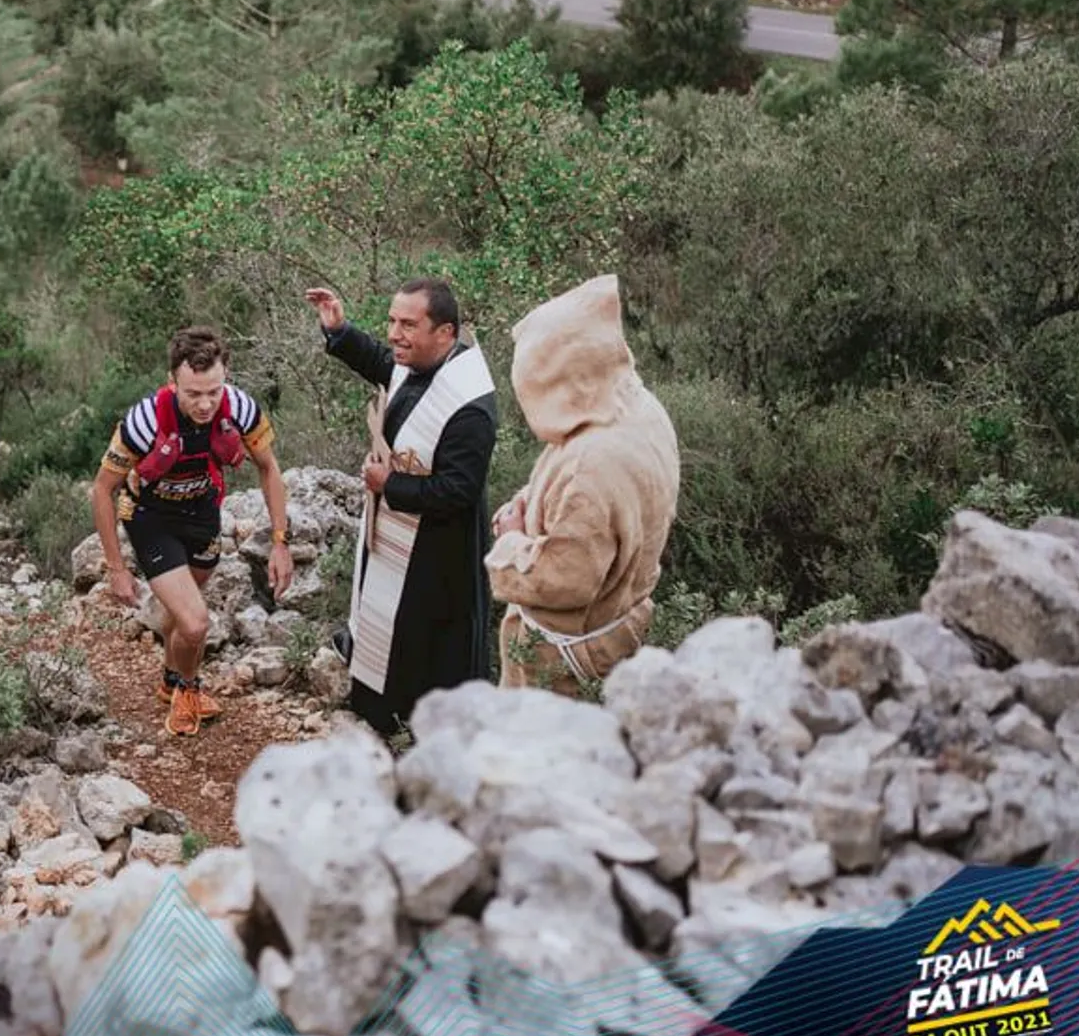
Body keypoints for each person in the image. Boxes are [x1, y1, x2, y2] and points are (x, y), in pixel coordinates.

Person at [306, 279, 499, 738]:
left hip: (441, 557)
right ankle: (378, 716)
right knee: (388, 631)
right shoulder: (420, 361)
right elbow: (383, 364)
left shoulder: (469, 406)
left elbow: (458, 491)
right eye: (392, 321)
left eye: (408, 324)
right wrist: (340, 330)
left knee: (426, 650)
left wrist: (389, 483)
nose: (395, 334)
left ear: (445, 333)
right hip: (398, 539)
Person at [91, 327, 295, 736]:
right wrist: (116, 567)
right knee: (197, 622)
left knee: (184, 615)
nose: (205, 404)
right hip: (151, 517)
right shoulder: (143, 421)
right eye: (192, 394)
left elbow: (269, 468)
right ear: (172, 382)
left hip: (202, 513)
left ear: (227, 378)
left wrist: (280, 543)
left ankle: (170, 678)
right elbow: (102, 489)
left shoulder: (241, 409)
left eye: (213, 392)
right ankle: (188, 688)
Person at [485, 274, 680, 697]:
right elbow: (578, 486)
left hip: (567, 664)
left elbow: (565, 578)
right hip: (619, 628)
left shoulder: (592, 464)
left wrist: (513, 541)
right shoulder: (633, 408)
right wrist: (529, 500)